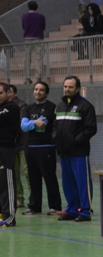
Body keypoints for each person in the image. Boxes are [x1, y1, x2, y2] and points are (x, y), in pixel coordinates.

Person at [55, 76, 97, 222]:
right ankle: (72, 209)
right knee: (68, 184)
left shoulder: (86, 106)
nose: (67, 89)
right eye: (65, 86)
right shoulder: (59, 106)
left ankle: (85, 211)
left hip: (79, 153)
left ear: (77, 88)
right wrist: (57, 141)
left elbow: (90, 129)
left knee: (82, 183)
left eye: (70, 87)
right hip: (64, 152)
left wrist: (74, 142)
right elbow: (55, 128)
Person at [20, 82, 61, 216]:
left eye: (41, 90)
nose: (38, 92)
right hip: (30, 147)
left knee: (49, 177)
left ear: (46, 93)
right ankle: (34, 206)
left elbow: (42, 124)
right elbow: (24, 127)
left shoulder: (50, 107)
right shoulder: (28, 107)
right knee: (33, 178)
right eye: (36, 89)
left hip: (46, 147)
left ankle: (55, 206)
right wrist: (33, 123)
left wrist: (31, 124)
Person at [0, 83, 19, 227]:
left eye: (0, 93)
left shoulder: (12, 108)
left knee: (7, 182)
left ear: (8, 93)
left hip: (5, 149)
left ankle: (9, 216)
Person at [21, 1, 46, 84]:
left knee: (27, 59)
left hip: (27, 38)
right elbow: (43, 27)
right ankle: (38, 78)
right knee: (39, 58)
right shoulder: (40, 17)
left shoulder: (24, 16)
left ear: (28, 7)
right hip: (38, 38)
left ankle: (27, 78)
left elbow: (24, 27)